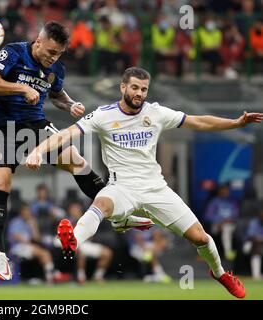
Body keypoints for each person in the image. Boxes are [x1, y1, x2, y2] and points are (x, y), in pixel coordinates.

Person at [26, 67, 263, 298]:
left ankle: (220, 274)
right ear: (123, 87)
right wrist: (38, 150)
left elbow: (198, 121)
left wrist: (235, 123)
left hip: (155, 189)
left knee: (201, 238)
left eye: (144, 89)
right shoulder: (103, 115)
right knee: (101, 204)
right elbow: (65, 134)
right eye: (135, 87)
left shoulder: (156, 113)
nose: (140, 93)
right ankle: (73, 241)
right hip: (121, 187)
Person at [0, 21, 106, 281]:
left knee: (78, 162)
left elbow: (57, 94)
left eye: (58, 53)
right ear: (38, 41)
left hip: (36, 126)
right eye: (50, 51)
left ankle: (120, 212)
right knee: (0, 181)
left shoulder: (56, 67)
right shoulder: (13, 52)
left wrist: (70, 105)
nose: (53, 57)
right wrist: (22, 88)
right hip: (2, 126)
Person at [7, 203, 62, 283]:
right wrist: (29, 242)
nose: (28, 213)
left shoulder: (30, 222)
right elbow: (16, 236)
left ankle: (49, 277)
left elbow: (36, 238)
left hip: (28, 247)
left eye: (29, 211)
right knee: (43, 253)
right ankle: (51, 276)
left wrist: (33, 226)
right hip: (17, 247)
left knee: (45, 253)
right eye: (26, 211)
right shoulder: (16, 221)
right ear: (21, 212)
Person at [66, 201, 113, 283]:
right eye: (73, 209)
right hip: (73, 246)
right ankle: (81, 277)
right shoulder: (66, 221)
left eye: (77, 208)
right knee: (80, 251)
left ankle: (98, 276)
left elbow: (91, 235)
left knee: (107, 253)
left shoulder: (86, 219)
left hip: (87, 244)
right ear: (69, 211)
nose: (75, 210)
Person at [204, 183, 240, 261]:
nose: (226, 192)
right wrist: (221, 221)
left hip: (231, 224)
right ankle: (227, 254)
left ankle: (232, 254)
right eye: (224, 190)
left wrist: (228, 220)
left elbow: (236, 215)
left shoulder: (232, 202)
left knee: (228, 229)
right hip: (217, 225)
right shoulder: (214, 202)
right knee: (225, 229)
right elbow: (208, 216)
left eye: (227, 190)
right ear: (219, 191)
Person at [242, 206, 263, 280]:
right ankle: (256, 275)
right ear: (259, 215)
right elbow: (251, 236)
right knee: (256, 247)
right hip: (251, 244)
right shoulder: (254, 222)